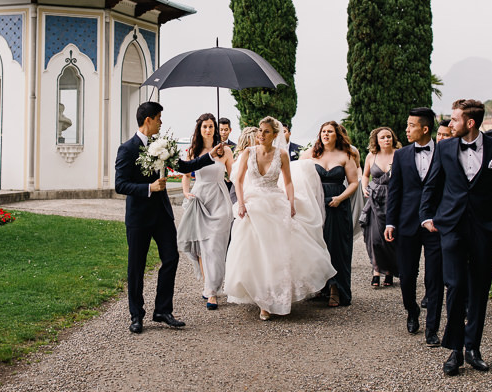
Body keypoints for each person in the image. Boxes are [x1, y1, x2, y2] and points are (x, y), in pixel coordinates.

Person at [420, 99, 492, 376]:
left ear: (470, 123)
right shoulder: (445, 147)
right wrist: (426, 217)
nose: (449, 124)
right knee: (454, 286)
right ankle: (455, 351)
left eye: (454, 120)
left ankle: (473, 348)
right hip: (450, 227)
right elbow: (432, 183)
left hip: (484, 229)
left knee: (479, 288)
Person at [114, 101, 224, 334]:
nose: (161, 122)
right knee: (136, 266)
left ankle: (163, 310)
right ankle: (137, 315)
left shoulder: (163, 145)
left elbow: (184, 166)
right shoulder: (127, 149)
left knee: (171, 258)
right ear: (148, 120)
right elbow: (120, 184)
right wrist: (148, 188)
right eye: (159, 118)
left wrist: (209, 156)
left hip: (162, 215)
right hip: (139, 217)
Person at [225, 117, 335, 320]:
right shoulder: (248, 153)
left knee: (277, 254)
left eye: (266, 131)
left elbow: (289, 182)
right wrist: (241, 204)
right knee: (256, 254)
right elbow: (238, 181)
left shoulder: (282, 154)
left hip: (276, 204)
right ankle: (262, 302)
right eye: (260, 130)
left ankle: (278, 296)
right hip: (253, 206)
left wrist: (291, 203)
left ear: (275, 135)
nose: (261, 135)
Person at [385, 108, 444, 347]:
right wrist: (390, 221)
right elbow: (395, 192)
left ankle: (432, 329)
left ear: (425, 128)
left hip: (435, 226)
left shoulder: (444, 153)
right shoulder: (401, 156)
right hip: (406, 224)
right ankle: (412, 311)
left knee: (435, 278)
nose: (406, 130)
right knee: (408, 276)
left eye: (411, 125)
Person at [177, 113, 234, 311]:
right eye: (204, 127)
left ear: (215, 129)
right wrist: (186, 192)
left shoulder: (225, 150)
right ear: (199, 130)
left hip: (219, 199)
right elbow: (185, 175)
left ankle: (213, 288)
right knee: (204, 247)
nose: (208, 130)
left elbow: (234, 175)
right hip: (200, 198)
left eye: (211, 126)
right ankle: (211, 290)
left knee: (216, 246)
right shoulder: (193, 151)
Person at [301, 121, 359, 307]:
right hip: (316, 205)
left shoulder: (345, 155)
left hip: (337, 205)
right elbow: (296, 173)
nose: (326, 135)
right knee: (319, 245)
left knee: (337, 248)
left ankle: (336, 288)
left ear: (337, 135)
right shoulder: (311, 154)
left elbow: (353, 182)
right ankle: (321, 286)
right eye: (323, 132)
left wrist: (340, 198)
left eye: (330, 132)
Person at [359, 127, 401, 288]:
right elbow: (365, 174)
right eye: (382, 137)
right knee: (375, 238)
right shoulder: (372, 156)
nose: (386, 140)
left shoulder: (399, 153)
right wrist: (364, 187)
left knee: (390, 238)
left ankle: (389, 271)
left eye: (389, 136)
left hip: (393, 198)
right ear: (376, 140)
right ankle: (376, 270)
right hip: (375, 198)